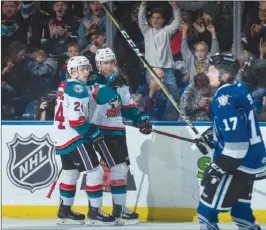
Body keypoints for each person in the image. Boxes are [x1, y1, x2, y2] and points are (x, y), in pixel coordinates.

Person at [195, 53, 266, 230]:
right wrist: (212, 135)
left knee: (206, 213)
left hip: (237, 163)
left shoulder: (222, 99)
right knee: (240, 211)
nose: (207, 74)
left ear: (225, 75)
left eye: (211, 70)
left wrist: (217, 167)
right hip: (252, 160)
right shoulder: (239, 88)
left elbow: (237, 145)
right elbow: (239, 125)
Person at [87, 47, 153, 225]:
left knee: (121, 169)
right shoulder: (92, 79)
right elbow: (100, 98)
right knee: (98, 170)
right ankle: (94, 210)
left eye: (111, 62)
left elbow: (127, 107)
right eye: (105, 63)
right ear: (98, 64)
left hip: (116, 129)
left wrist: (140, 118)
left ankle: (119, 209)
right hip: (98, 131)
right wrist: (110, 83)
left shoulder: (120, 81)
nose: (108, 66)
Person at [53, 56, 115, 226]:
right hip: (75, 137)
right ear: (73, 71)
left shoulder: (64, 84)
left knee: (70, 172)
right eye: (82, 69)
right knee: (95, 172)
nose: (87, 72)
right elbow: (76, 121)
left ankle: (65, 211)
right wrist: (92, 132)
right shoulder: (78, 88)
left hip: (61, 137)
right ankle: (94, 212)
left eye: (87, 68)